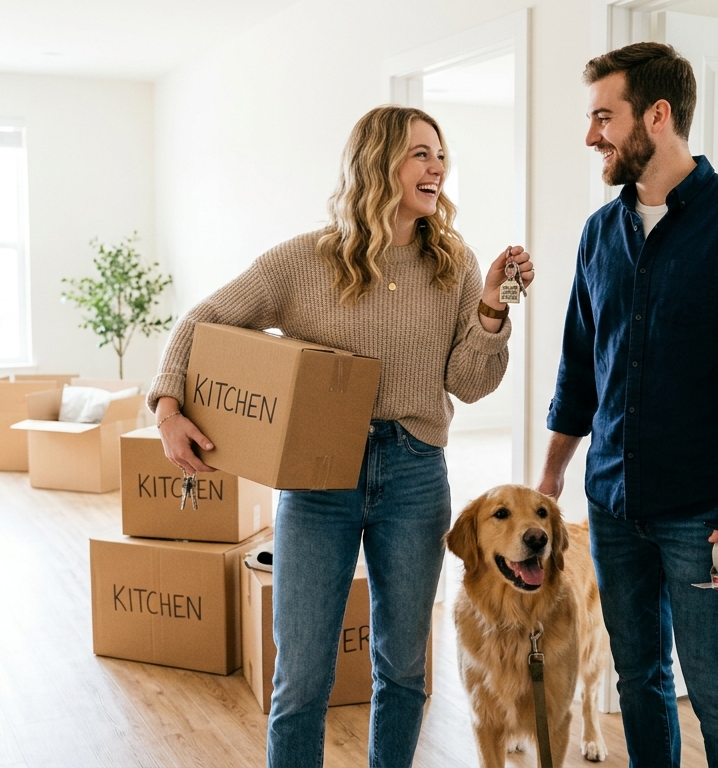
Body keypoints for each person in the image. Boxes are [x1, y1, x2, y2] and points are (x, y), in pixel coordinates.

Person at [148, 105, 534, 768]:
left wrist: (493, 308)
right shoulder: (304, 260)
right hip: (317, 477)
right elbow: (203, 319)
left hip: (415, 474)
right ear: (377, 162)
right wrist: (166, 408)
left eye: (440, 154)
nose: (437, 167)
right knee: (301, 677)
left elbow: (469, 383)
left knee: (403, 669)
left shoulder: (455, 264)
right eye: (420, 153)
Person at [537, 43, 718, 768]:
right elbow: (579, 369)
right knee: (639, 679)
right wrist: (552, 477)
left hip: (712, 514)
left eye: (604, 117)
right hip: (613, 507)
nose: (591, 136)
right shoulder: (600, 234)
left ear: (657, 115)